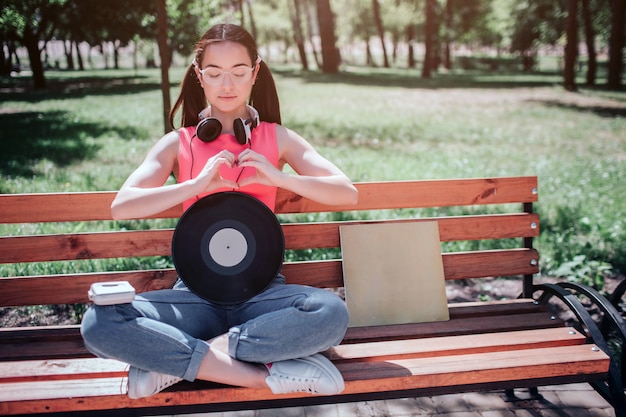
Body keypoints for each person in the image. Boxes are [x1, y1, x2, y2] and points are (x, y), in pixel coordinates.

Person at [80, 23, 358, 399]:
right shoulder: (177, 143)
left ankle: (177, 362)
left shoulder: (277, 138)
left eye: (239, 72)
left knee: (330, 314)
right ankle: (264, 375)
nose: (227, 85)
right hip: (193, 296)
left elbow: (346, 193)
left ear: (255, 72)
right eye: (213, 73)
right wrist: (194, 186)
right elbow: (122, 205)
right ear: (199, 75)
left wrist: (279, 176)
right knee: (100, 322)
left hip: (262, 295)